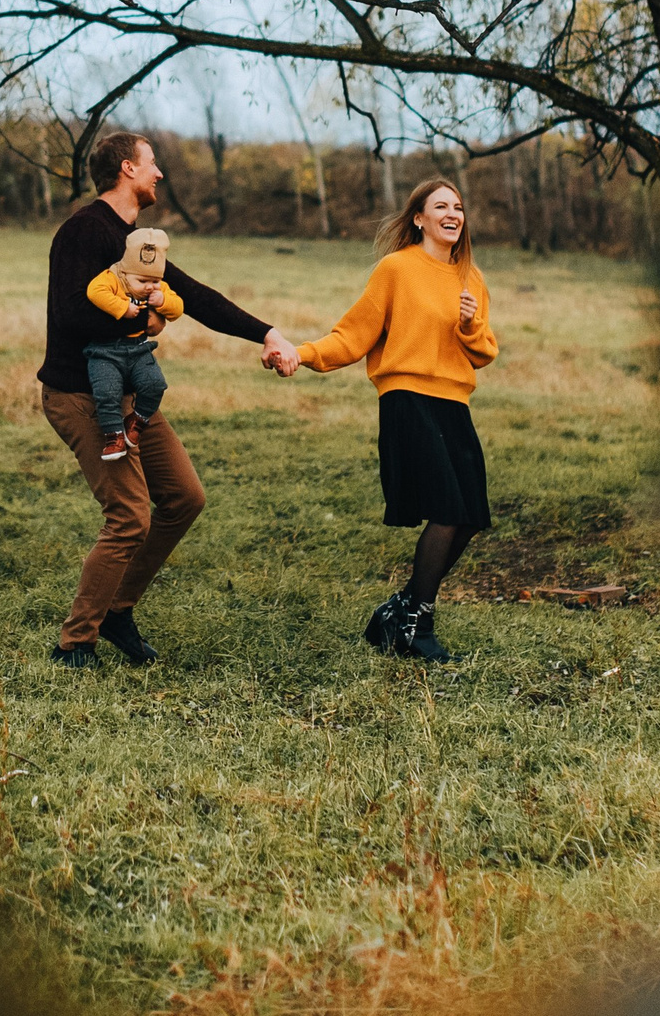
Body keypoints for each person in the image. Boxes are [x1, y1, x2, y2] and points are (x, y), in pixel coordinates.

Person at [39, 132, 301, 669]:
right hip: (81, 396)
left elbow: (196, 295)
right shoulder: (82, 231)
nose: (160, 175)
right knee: (130, 515)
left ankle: (117, 609)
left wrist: (268, 333)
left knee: (184, 497)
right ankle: (74, 643)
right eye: (152, 164)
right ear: (128, 168)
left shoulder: (137, 241)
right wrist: (144, 316)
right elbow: (69, 313)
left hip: (129, 396)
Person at [286, 179, 496, 662]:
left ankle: (398, 611)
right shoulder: (396, 268)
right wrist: (303, 353)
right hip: (408, 397)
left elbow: (484, 352)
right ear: (419, 218)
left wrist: (469, 325)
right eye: (440, 205)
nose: (453, 213)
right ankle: (416, 625)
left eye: (459, 206)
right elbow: (353, 334)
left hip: (454, 402)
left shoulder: (472, 278)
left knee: (468, 517)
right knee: (446, 509)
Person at [83, 225, 183, 461]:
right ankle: (113, 435)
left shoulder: (157, 288)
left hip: (139, 349)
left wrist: (163, 300)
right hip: (105, 351)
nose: (149, 287)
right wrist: (122, 307)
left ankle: (137, 420)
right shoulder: (112, 278)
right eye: (142, 281)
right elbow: (93, 291)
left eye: (155, 281)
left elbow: (178, 308)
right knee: (107, 392)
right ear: (125, 272)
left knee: (155, 384)